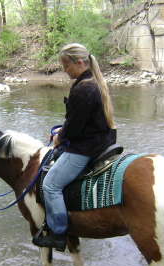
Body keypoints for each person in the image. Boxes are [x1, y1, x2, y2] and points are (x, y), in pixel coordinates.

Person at [32, 43, 117, 251]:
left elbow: (75, 129)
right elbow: (82, 121)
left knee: (50, 184)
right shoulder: (93, 81)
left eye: (66, 66)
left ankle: (58, 234)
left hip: (87, 147)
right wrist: (64, 129)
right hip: (101, 139)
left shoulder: (82, 89)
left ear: (79, 63)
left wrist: (60, 138)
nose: (64, 70)